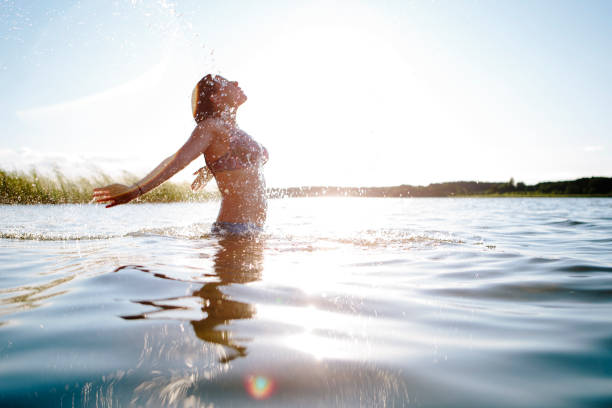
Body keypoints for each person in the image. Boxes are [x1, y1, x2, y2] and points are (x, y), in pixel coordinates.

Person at [93, 74, 268, 235]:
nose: (235, 83)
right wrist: (136, 189)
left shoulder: (235, 131)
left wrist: (214, 167)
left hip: (254, 231)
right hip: (233, 231)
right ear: (215, 98)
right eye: (226, 82)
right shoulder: (211, 126)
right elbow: (179, 159)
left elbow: (259, 158)